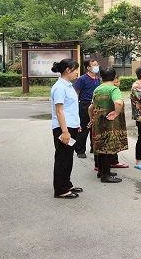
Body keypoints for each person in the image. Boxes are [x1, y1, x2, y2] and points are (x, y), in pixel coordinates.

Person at [88, 67, 128, 183]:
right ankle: (106, 175)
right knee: (108, 147)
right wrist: (116, 112)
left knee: (101, 146)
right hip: (110, 123)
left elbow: (90, 108)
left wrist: (92, 119)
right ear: (114, 77)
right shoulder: (113, 89)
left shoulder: (97, 89)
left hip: (98, 122)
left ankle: (101, 171)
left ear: (101, 77)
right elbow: (118, 102)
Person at [50, 58, 82, 199]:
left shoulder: (68, 85)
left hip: (70, 126)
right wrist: (65, 131)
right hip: (63, 128)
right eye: (75, 70)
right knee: (62, 158)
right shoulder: (59, 87)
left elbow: (71, 108)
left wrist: (76, 123)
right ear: (68, 70)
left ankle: (66, 184)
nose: (77, 72)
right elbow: (59, 111)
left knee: (68, 158)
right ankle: (60, 189)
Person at [73, 59, 100, 159]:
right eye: (94, 65)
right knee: (84, 127)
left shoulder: (97, 78)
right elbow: (77, 93)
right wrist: (75, 106)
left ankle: (94, 147)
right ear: (88, 68)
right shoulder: (82, 79)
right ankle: (80, 150)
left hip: (95, 104)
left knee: (95, 127)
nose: (96, 66)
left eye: (97, 64)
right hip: (85, 104)